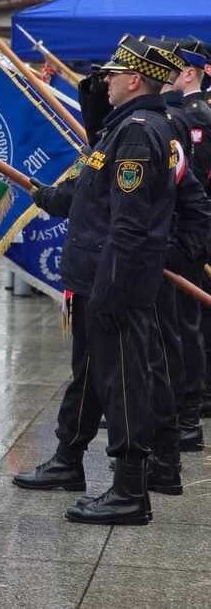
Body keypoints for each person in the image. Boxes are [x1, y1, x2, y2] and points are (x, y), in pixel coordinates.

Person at [14, 35, 179, 525]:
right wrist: (48, 196)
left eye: (112, 75)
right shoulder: (119, 128)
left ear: (135, 80)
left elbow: (129, 221)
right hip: (93, 276)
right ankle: (70, 461)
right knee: (90, 374)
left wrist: (112, 283)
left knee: (124, 382)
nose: (104, 82)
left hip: (114, 281)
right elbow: (91, 193)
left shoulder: (139, 133)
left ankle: (130, 491)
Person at [158, 37, 211, 452]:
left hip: (191, 232)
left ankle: (190, 412)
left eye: (171, 70)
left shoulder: (195, 116)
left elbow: (195, 183)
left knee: (186, 324)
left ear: (188, 73)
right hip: (186, 230)